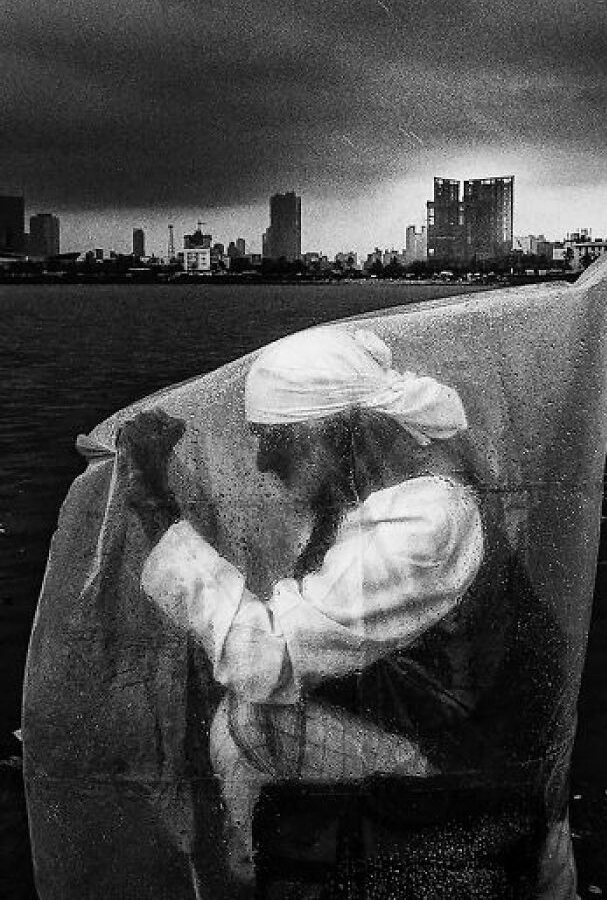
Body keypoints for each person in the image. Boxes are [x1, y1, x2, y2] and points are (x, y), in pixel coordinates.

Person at [119, 325, 487, 879]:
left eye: (274, 437)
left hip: (458, 762)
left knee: (248, 717)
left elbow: (266, 654)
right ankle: (269, 859)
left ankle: (249, 876)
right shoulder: (388, 493)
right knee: (231, 706)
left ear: (335, 432)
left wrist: (154, 506)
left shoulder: (427, 524)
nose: (263, 463)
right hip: (425, 724)